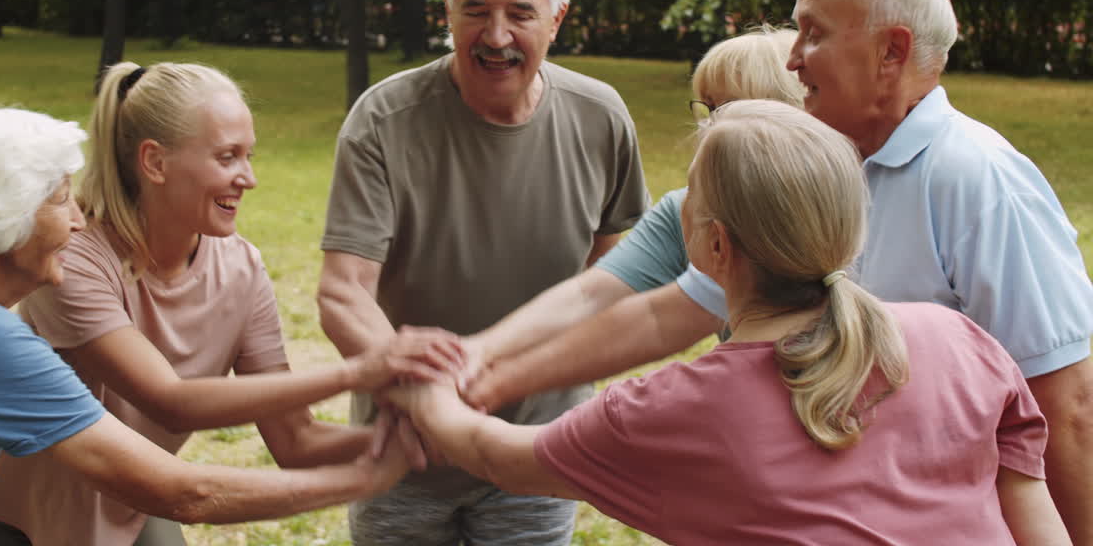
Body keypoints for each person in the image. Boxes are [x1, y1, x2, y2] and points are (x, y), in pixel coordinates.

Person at [387, 100, 1071, 545]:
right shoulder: (958, 342)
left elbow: (495, 454)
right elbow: (1024, 489)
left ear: (715, 247)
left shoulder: (674, 411)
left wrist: (427, 388)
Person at [0, 104, 418, 546]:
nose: (79, 221)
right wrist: (365, 476)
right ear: (3, 220)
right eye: (60, 199)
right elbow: (184, 493)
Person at [671, 0, 1093, 541]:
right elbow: (679, 307)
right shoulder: (830, 167)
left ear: (891, 52)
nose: (791, 60)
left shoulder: (977, 179)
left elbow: (1067, 405)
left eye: (812, 35)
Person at [0, 63, 462, 546]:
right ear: (155, 163)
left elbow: (295, 441)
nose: (247, 178)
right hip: (20, 520)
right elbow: (170, 402)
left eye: (249, 156)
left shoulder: (240, 269)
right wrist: (358, 372)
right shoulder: (75, 261)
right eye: (227, 157)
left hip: (134, 500)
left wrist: (427, 439)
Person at [316, 0, 650, 545]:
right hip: (406, 449)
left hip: (535, 449)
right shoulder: (384, 119)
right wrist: (422, 400)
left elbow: (620, 283)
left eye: (520, 13)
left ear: (557, 17)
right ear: (447, 11)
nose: (496, 35)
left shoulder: (601, 117)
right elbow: (342, 291)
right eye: (475, 11)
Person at [460, 25, 802, 413]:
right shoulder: (690, 211)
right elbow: (593, 295)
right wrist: (473, 357)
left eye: (730, 111)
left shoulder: (835, 216)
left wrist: (484, 381)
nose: (708, 129)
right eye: (707, 109)